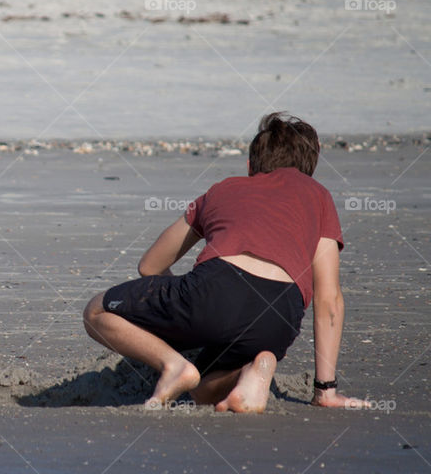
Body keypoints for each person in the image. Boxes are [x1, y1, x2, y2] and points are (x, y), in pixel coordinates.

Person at [83, 112, 366, 412]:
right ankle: (250, 373)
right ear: (310, 169)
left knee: (96, 311)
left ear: (250, 166)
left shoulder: (224, 188)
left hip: (216, 287)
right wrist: (325, 390)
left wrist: (182, 311)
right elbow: (328, 298)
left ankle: (173, 365)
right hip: (280, 316)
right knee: (203, 391)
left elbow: (150, 266)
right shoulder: (318, 197)